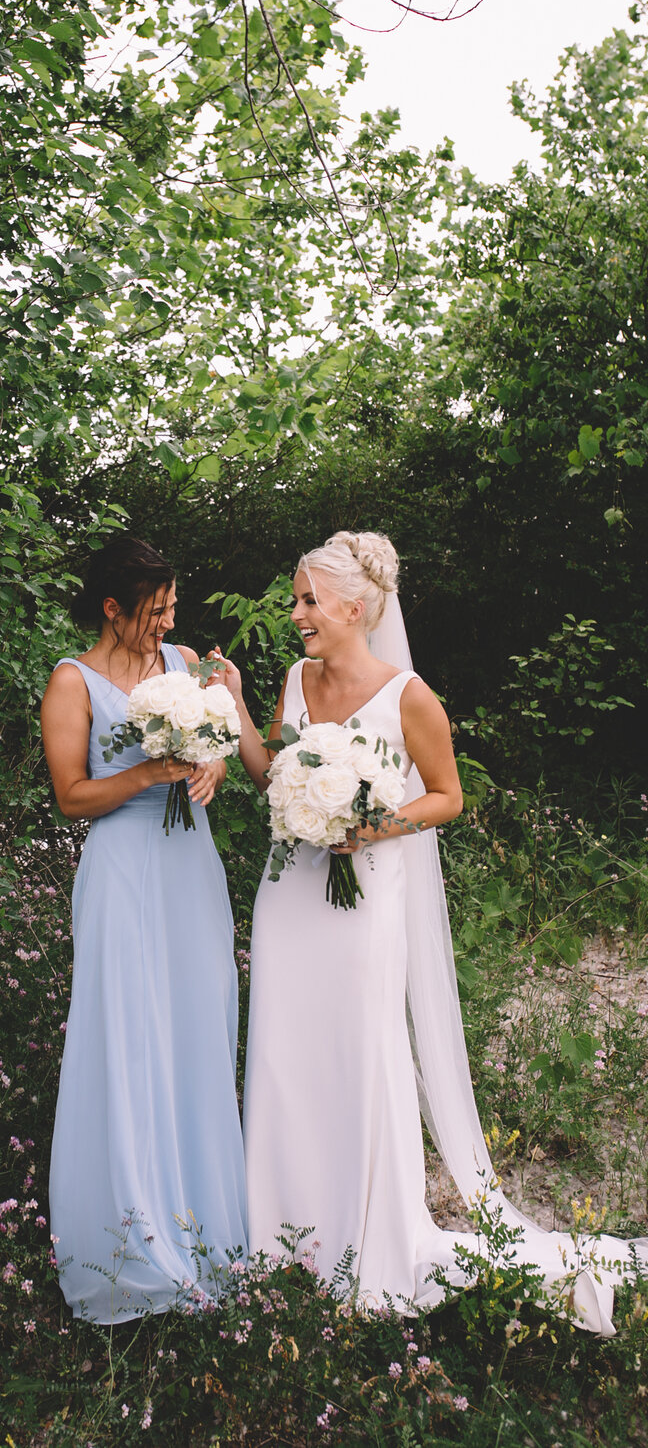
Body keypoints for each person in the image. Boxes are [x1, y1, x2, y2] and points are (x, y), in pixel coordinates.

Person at [213, 530, 647, 1335]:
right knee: (281, 1048)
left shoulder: (407, 696)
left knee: (360, 1049)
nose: (297, 612)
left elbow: (446, 796)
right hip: (291, 897)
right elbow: (271, 771)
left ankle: (365, 1236)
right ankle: (279, 1234)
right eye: (298, 598)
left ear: (355, 606)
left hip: (365, 898)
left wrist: (374, 824)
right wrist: (240, 703)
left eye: (309, 600)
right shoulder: (295, 679)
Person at [40, 536, 248, 1323]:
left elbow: (219, 750)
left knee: (195, 1027)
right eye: (152, 611)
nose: (166, 622)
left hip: (187, 868)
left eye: (170, 606)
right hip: (123, 871)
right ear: (112, 609)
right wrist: (146, 774)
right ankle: (131, 1238)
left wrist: (209, 766)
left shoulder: (186, 663)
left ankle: (202, 1225)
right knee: (127, 1033)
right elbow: (71, 796)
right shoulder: (73, 682)